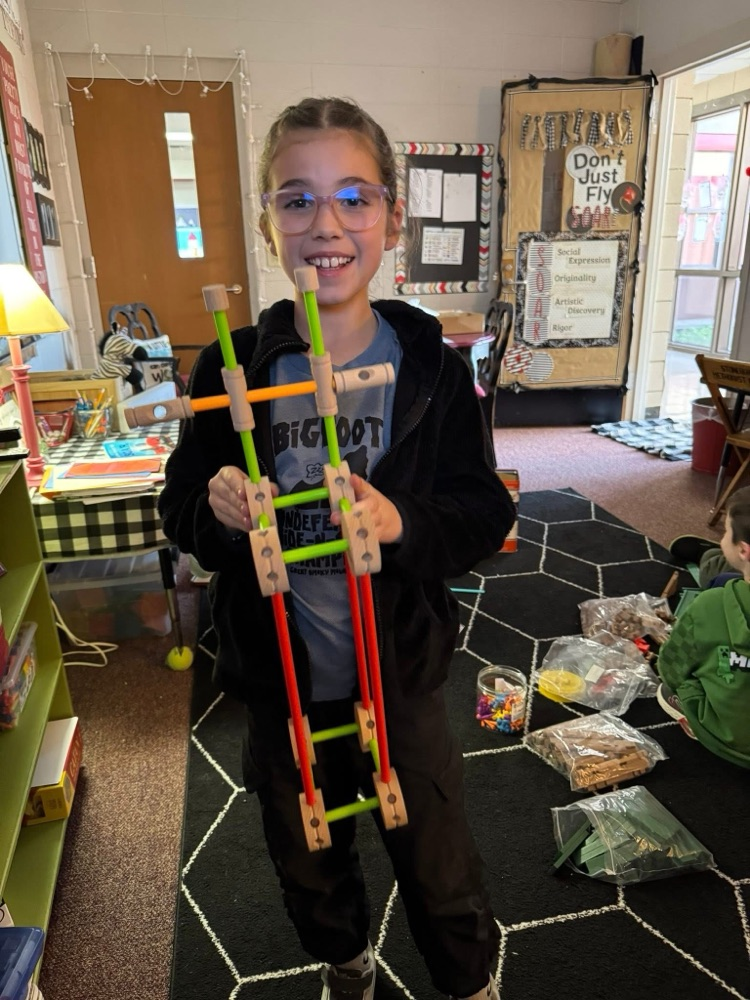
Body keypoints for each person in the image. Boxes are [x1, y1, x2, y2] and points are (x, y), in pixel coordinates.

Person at [159, 97, 516, 1000]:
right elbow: (179, 508)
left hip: (398, 667)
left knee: (436, 854)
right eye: (297, 199)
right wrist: (215, 507)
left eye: (355, 198)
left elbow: (478, 511)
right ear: (268, 218)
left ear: (392, 215)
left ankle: (466, 980)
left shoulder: (431, 364)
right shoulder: (231, 367)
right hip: (283, 679)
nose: (327, 225)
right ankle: (345, 958)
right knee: (304, 850)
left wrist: (400, 525)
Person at [656, 486, 750, 768]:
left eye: (725, 532)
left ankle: (707, 557)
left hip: (727, 740)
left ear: (745, 549)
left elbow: (670, 669)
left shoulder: (711, 606)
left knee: (669, 685)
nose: (724, 536)